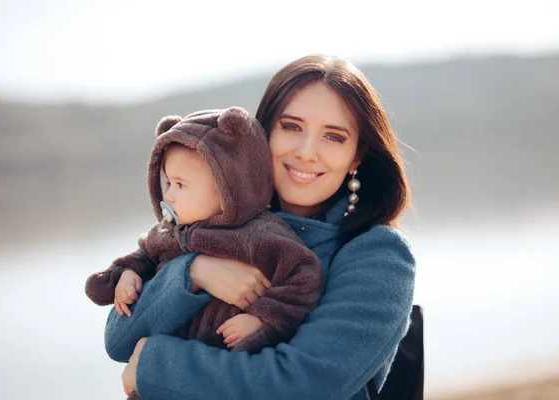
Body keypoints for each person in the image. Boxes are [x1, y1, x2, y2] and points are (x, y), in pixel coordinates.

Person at [107, 54, 416, 400]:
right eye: (291, 127)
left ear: (356, 157)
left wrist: (154, 366)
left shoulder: (379, 255)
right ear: (261, 134)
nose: (306, 152)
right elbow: (119, 340)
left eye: (333, 137)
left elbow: (303, 385)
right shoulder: (214, 222)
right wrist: (193, 272)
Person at [86, 107, 324, 363]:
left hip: (220, 363)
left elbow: (304, 278)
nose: (168, 195)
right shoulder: (168, 231)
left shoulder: (259, 235)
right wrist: (126, 274)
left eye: (180, 185)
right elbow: (145, 253)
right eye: (168, 182)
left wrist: (262, 319)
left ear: (227, 189)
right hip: (164, 364)